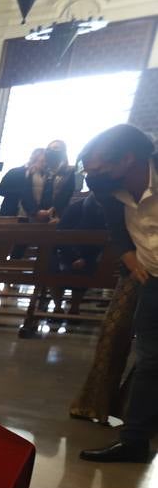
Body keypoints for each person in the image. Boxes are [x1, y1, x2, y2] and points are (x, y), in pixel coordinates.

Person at [78, 124, 158, 462]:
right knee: (150, 362)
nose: (92, 177)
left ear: (128, 160)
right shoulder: (111, 194)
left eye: (98, 170)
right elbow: (116, 231)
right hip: (152, 279)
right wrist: (128, 256)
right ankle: (134, 442)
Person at [63, 193, 134, 423]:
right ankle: (94, 404)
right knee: (112, 333)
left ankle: (135, 410)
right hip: (136, 267)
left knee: (150, 351)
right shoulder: (115, 195)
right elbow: (117, 233)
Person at [0, 148, 47, 219]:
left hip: (37, 216)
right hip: (12, 213)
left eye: (46, 162)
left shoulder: (47, 176)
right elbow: (1, 190)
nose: (44, 164)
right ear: (34, 159)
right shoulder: (15, 172)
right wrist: (20, 191)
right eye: (42, 161)